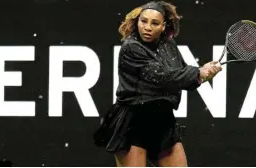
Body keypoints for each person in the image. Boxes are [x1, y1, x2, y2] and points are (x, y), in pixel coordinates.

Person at [93, 0, 222, 167]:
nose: (147, 27)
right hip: (133, 122)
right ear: (137, 21)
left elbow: (181, 76)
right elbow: (162, 78)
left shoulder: (168, 45)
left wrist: (203, 74)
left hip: (163, 121)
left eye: (154, 23)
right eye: (143, 21)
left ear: (163, 27)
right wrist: (198, 73)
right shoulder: (131, 48)